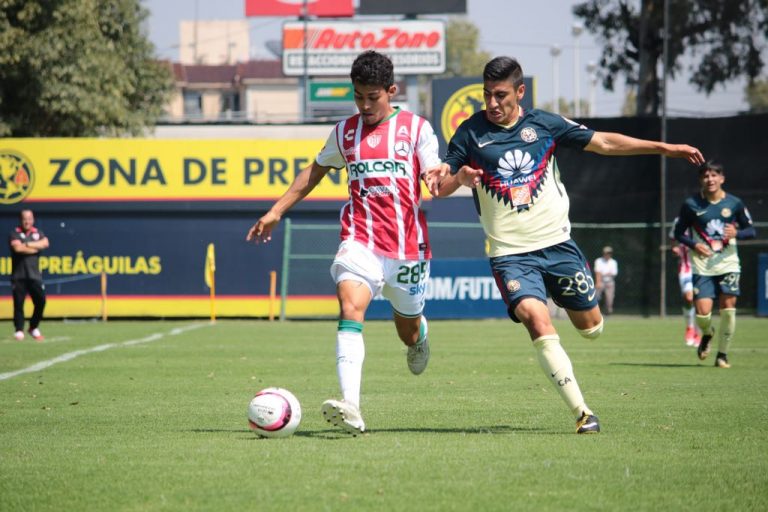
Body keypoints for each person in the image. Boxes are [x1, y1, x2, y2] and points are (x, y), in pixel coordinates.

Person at [427, 56, 704, 434]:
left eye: (500, 95)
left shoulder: (545, 125)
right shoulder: (470, 133)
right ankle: (583, 413)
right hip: (509, 254)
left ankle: (572, 305)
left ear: (519, 92)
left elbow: (605, 142)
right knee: (535, 317)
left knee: (591, 328)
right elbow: (439, 188)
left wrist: (665, 148)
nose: (492, 104)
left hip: (558, 245)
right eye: (486, 95)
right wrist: (457, 176)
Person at [246, 50, 440, 435]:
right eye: (358, 96)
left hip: (408, 248)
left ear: (391, 90)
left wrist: (438, 176)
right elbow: (315, 171)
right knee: (350, 307)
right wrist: (276, 210)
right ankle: (351, 405)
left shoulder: (417, 129)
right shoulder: (344, 132)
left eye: (373, 97)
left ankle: (419, 335)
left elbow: (434, 169)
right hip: (360, 238)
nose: (364, 105)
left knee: (408, 329)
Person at [673, 161, 755, 368]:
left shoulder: (734, 203)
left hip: (728, 263)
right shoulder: (691, 204)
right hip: (702, 265)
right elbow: (677, 233)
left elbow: (751, 231)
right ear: (700, 180)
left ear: (722, 178)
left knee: (728, 308)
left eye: (714, 175)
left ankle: (722, 355)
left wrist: (737, 233)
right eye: (705, 176)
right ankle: (707, 333)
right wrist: (694, 245)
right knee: (703, 314)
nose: (710, 180)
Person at [9, 209, 49, 341]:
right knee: (19, 304)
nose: (27, 221)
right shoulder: (15, 233)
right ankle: (19, 329)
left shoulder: (38, 232)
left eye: (29, 218)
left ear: (33, 220)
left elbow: (45, 243)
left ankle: (33, 327)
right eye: (25, 219)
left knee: (41, 301)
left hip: (34, 275)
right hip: (19, 275)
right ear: (21, 220)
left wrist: (26, 244)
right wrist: (35, 247)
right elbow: (17, 248)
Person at [670, 218, 701, 346]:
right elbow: (672, 239)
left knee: (700, 301)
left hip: (702, 268)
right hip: (686, 268)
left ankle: (698, 333)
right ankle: (690, 327)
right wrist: (674, 248)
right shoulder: (679, 221)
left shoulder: (704, 219)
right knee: (689, 297)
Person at [593, 246, 618, 315]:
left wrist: (605, 273)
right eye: (607, 253)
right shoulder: (599, 261)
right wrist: (598, 282)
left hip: (610, 282)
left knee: (609, 298)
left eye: (609, 253)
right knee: (596, 296)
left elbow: (614, 273)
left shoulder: (613, 262)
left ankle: (608, 312)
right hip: (601, 281)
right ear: (604, 253)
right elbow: (598, 272)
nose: (608, 254)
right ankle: (595, 312)